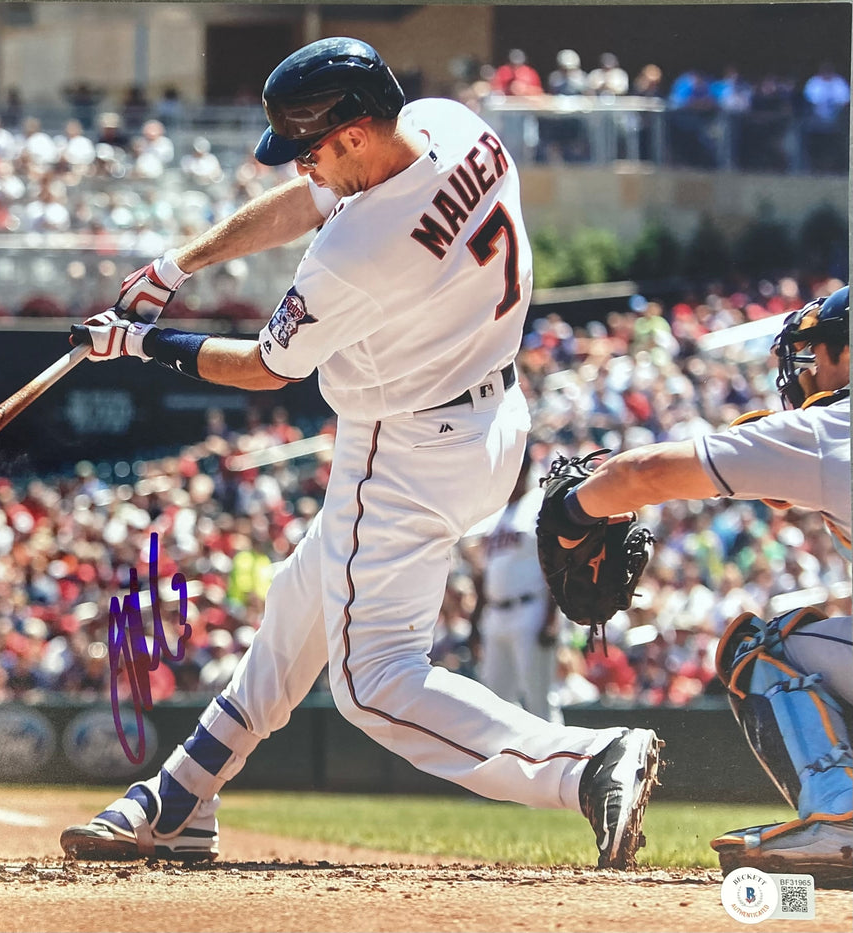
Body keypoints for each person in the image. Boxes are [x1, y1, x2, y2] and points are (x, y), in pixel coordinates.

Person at [61, 36, 661, 871]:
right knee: (301, 595)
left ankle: (582, 764)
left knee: (373, 682)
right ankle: (182, 794)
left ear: (351, 134)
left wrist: (143, 343)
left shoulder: (357, 250)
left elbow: (265, 368)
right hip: (492, 420)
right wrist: (180, 262)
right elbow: (310, 199)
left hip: (404, 448)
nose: (303, 164)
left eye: (311, 147)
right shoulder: (452, 125)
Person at [540, 287, 850, 884]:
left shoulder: (828, 427)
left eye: (816, 353)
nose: (804, 370)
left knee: (766, 645)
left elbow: (646, 472)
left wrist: (573, 514)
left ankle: (839, 817)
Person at [464, 449, 564, 724]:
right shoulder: (496, 513)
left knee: (539, 699)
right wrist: (476, 621)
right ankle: (513, 760)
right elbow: (482, 573)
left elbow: (553, 561)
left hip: (531, 609)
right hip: (495, 614)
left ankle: (559, 762)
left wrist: (552, 617)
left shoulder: (537, 504)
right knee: (494, 702)